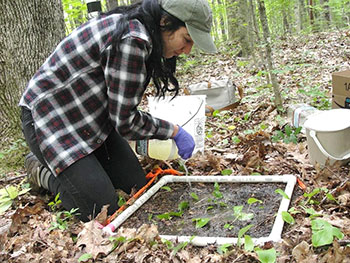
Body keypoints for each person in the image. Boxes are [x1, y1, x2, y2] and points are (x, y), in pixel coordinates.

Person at [20, 0, 216, 222]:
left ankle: (84, 169)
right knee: (101, 209)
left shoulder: (142, 33)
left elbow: (120, 107)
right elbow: (126, 122)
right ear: (165, 21)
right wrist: (174, 131)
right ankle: (42, 171)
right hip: (50, 119)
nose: (187, 50)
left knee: (136, 187)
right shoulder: (133, 39)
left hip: (91, 119)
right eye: (187, 39)